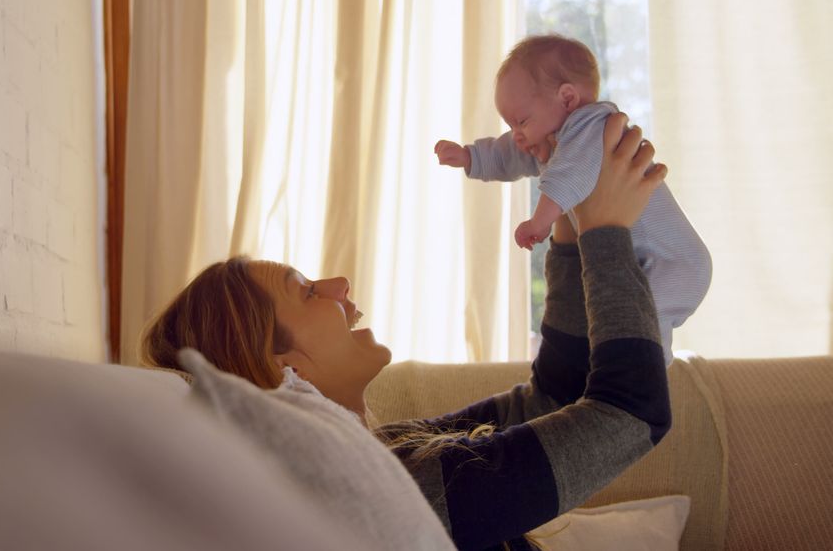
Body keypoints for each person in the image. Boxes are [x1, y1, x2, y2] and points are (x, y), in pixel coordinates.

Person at [143, 113, 670, 550]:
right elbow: (633, 412)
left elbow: (552, 396)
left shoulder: (389, 454)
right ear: (287, 369)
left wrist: (568, 229)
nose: (338, 284)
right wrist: (605, 233)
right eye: (306, 290)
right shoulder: (399, 493)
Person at [434, 34, 711, 364]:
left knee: (639, 321)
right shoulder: (550, 139)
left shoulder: (591, 125)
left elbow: (568, 176)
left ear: (567, 99)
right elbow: (508, 151)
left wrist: (540, 221)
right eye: (510, 124)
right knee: (620, 318)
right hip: (639, 260)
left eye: (521, 121)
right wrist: (470, 156)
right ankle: (630, 373)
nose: (517, 133)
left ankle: (644, 376)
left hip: (675, 262)